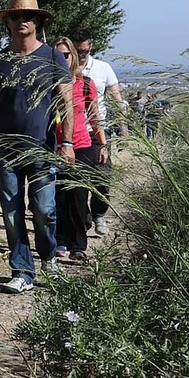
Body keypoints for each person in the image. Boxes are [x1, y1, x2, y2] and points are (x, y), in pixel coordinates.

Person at [0, 0, 73, 295]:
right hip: (6, 148)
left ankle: (49, 256)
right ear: (8, 23)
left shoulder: (53, 58)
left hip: (42, 146)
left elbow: (66, 102)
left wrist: (66, 142)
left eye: (28, 17)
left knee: (44, 209)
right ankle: (22, 270)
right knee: (12, 213)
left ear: (38, 21)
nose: (21, 22)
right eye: (15, 17)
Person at [51, 38, 107, 260]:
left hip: (82, 145)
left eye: (65, 55)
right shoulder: (46, 83)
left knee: (77, 196)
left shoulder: (84, 83)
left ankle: (78, 246)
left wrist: (102, 144)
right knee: (57, 197)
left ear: (73, 56)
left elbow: (94, 116)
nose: (61, 59)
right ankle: (60, 241)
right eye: (57, 55)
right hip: (52, 146)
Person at [72, 32, 122, 236]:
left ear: (90, 47)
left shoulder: (103, 68)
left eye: (84, 50)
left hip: (97, 130)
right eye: (78, 50)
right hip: (74, 131)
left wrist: (122, 123)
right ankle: (83, 218)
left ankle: (99, 213)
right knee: (78, 180)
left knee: (102, 176)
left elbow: (116, 95)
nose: (81, 54)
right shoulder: (65, 69)